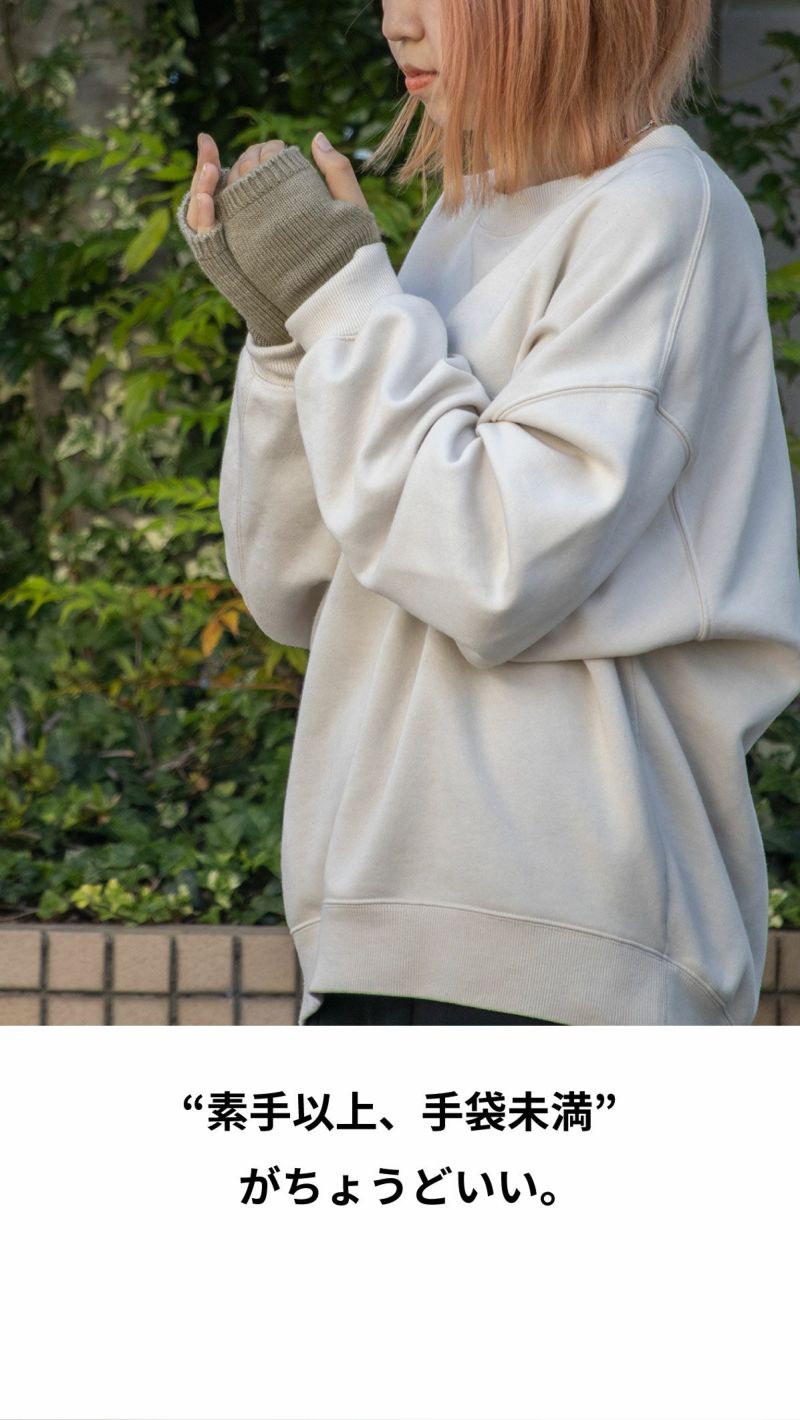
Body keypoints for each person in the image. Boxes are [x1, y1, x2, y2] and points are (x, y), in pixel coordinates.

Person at [176, 0, 800, 1027]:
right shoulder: (462, 218)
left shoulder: (656, 210)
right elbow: (299, 583)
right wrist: (289, 334)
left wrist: (340, 302)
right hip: (373, 923)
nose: (397, 24)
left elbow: (492, 565)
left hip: (568, 937)